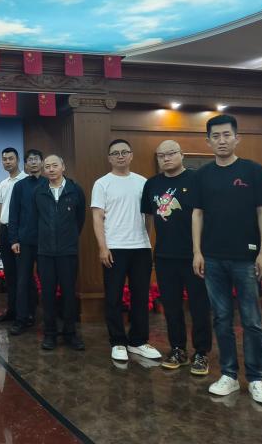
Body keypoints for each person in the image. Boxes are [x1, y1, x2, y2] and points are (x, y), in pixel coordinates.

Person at [192, 114, 262, 404]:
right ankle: (228, 374)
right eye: (216, 136)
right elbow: (197, 214)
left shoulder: (253, 170)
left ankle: (256, 378)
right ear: (208, 141)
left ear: (237, 138)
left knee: (252, 320)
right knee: (222, 318)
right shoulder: (202, 175)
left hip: (246, 258)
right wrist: (197, 251)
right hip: (213, 258)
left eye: (227, 135)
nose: (222, 141)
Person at [141, 140, 212, 375]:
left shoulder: (196, 179)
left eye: (171, 153)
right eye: (161, 155)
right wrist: (148, 246)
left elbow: (205, 215)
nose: (166, 158)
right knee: (171, 307)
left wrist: (200, 251)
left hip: (194, 255)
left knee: (199, 306)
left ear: (182, 155)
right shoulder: (152, 184)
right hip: (164, 256)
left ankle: (201, 352)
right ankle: (178, 349)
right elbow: (148, 218)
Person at [92, 139, 162, 364]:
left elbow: (149, 217)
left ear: (131, 155)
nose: (120, 156)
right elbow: (97, 217)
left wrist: (146, 241)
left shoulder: (143, 182)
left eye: (124, 152)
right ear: (109, 158)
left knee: (140, 296)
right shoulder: (102, 183)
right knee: (113, 297)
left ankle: (138, 341)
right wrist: (103, 247)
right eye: (115, 153)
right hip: (114, 247)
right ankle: (118, 342)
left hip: (140, 248)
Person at [34, 155, 86, 350]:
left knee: (69, 294)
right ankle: (50, 334)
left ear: (63, 166)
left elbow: (80, 219)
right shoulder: (39, 191)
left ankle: (70, 334)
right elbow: (35, 219)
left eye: (55, 165)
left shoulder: (75, 190)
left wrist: (68, 237)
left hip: (67, 252)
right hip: (45, 252)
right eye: (47, 166)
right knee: (47, 295)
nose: (51, 169)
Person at [7, 149, 44, 336]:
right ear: (26, 164)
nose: (33, 162)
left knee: (47, 281)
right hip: (24, 241)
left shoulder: (49, 183)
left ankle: (46, 320)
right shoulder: (20, 186)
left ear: (42, 162)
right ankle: (21, 319)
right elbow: (13, 214)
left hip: (46, 242)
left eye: (36, 159)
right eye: (30, 160)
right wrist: (14, 239)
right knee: (22, 281)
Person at [0, 147, 28, 322]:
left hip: (20, 232)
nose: (7, 162)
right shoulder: (3, 183)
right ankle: (12, 311)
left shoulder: (25, 180)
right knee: (10, 274)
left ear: (18, 160)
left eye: (11, 158)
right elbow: (0, 208)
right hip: (5, 230)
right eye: (4, 159)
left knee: (23, 275)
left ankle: (26, 314)